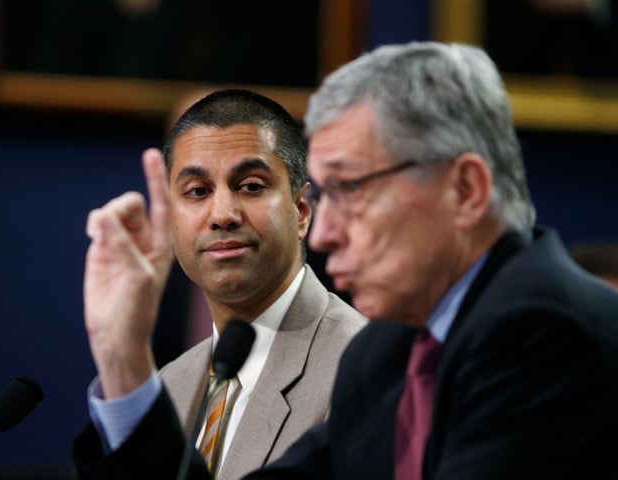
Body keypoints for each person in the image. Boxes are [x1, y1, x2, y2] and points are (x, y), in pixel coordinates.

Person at [74, 42, 618, 479]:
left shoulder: (542, 333)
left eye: (350, 189)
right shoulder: (390, 350)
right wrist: (123, 354)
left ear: (465, 189)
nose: (326, 232)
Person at [75, 89, 366, 479]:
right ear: (171, 221)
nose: (223, 215)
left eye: (250, 186)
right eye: (197, 192)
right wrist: (119, 353)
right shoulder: (167, 385)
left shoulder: (365, 368)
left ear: (301, 212)